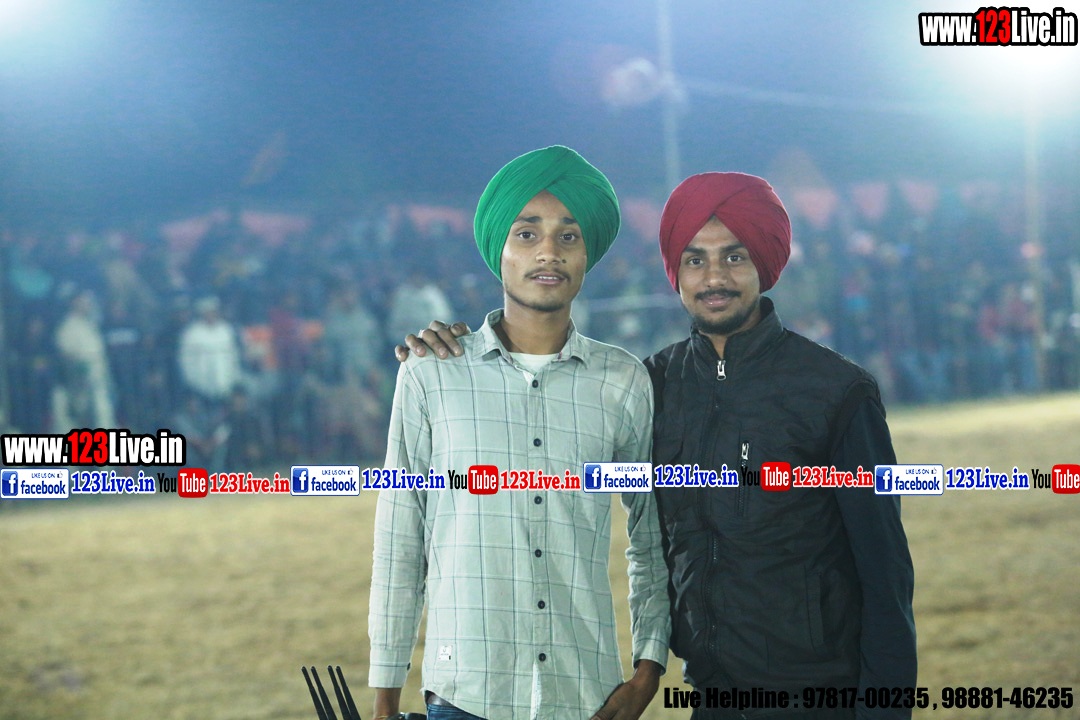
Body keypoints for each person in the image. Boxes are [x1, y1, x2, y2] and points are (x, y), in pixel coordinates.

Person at [398, 171, 917, 719]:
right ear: (676, 272)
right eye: (695, 260)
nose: (714, 277)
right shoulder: (653, 385)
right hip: (711, 699)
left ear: (763, 265)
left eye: (734, 257)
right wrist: (454, 355)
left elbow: (886, 575)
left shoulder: (835, 391)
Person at [369, 146, 670, 720]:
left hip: (585, 693)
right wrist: (385, 697)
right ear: (499, 251)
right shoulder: (432, 374)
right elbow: (400, 536)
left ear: (587, 254)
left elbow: (651, 536)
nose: (548, 252)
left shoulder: (624, 381)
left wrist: (647, 672)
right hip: (465, 692)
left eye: (568, 236)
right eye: (527, 234)